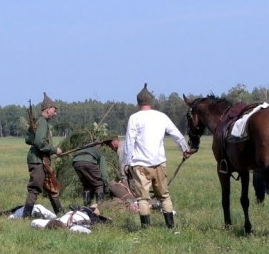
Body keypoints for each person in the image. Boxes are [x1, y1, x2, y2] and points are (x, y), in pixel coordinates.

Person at [123, 83, 192, 229]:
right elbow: (176, 134)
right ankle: (170, 227)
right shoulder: (162, 116)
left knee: (142, 198)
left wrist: (127, 162)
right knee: (164, 196)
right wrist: (185, 149)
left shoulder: (134, 118)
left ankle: (146, 229)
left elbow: (129, 142)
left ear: (138, 102)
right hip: (159, 163)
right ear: (151, 101)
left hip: (140, 165)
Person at [21, 93, 64, 217]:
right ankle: (26, 216)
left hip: (42, 160)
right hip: (38, 160)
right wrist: (55, 150)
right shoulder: (42, 122)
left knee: (51, 186)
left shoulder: (38, 122)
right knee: (35, 188)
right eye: (54, 110)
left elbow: (28, 139)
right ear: (48, 109)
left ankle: (60, 213)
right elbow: (40, 143)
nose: (55, 113)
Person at [71, 137, 119, 206]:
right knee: (99, 185)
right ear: (99, 146)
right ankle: (100, 206)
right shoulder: (99, 152)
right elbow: (103, 172)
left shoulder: (85, 149)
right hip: (88, 162)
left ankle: (86, 206)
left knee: (87, 185)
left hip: (75, 162)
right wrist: (106, 186)